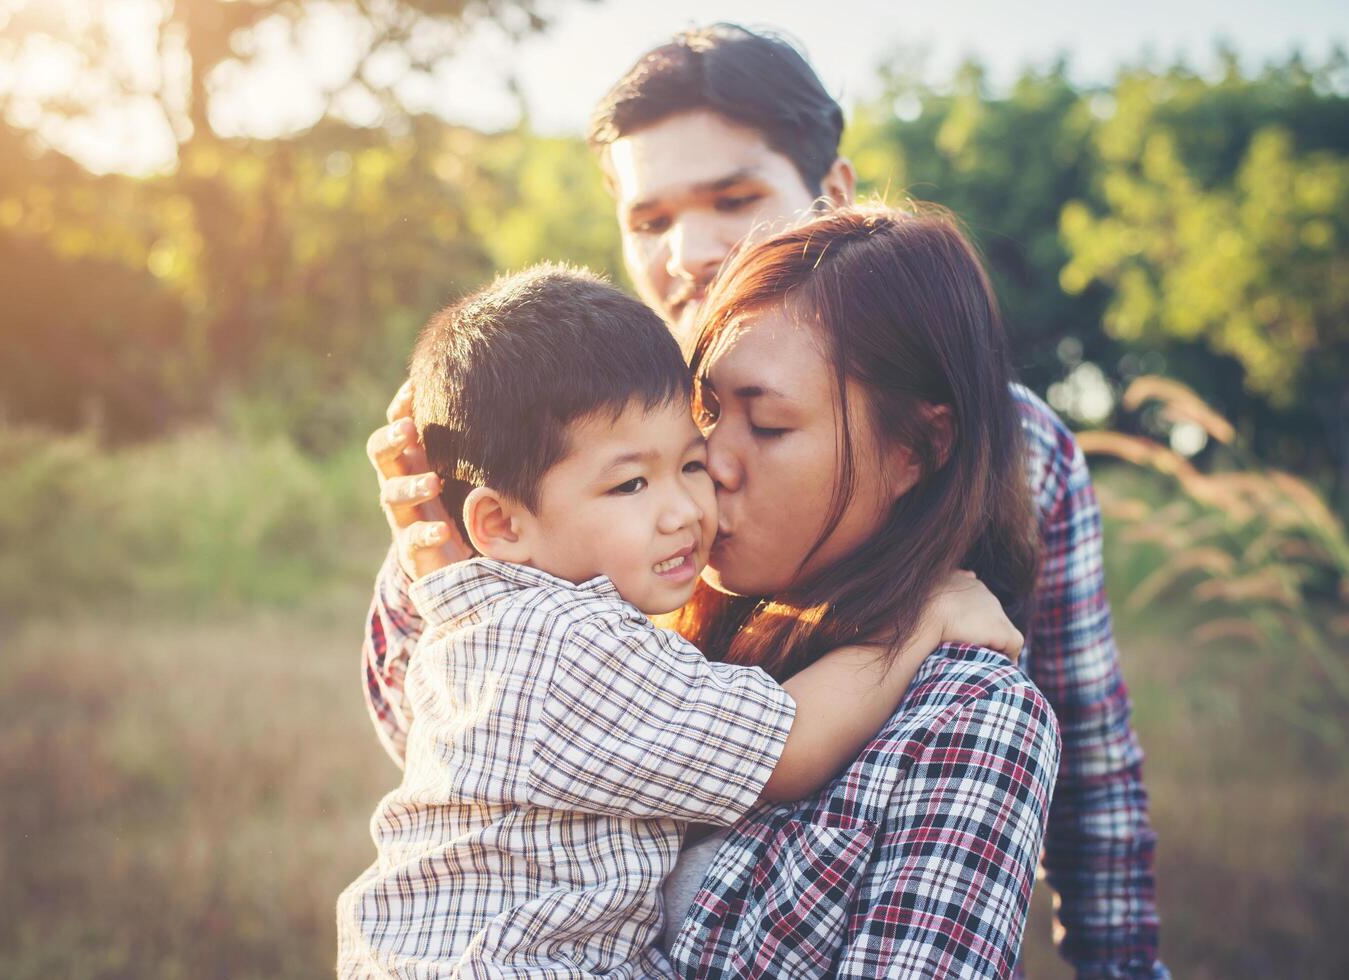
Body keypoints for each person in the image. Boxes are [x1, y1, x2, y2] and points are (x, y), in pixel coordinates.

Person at [371, 24, 1165, 979]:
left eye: (735, 199)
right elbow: (468, 739)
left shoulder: (1011, 445)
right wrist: (447, 570)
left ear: (833, 194)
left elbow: (1077, 740)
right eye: (648, 218)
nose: (691, 251)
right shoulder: (579, 400)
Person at [337, 263, 1025, 978]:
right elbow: (784, 751)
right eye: (630, 483)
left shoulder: (492, 624)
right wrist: (921, 620)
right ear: (499, 523)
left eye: (689, 464)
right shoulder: (564, 645)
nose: (686, 509)